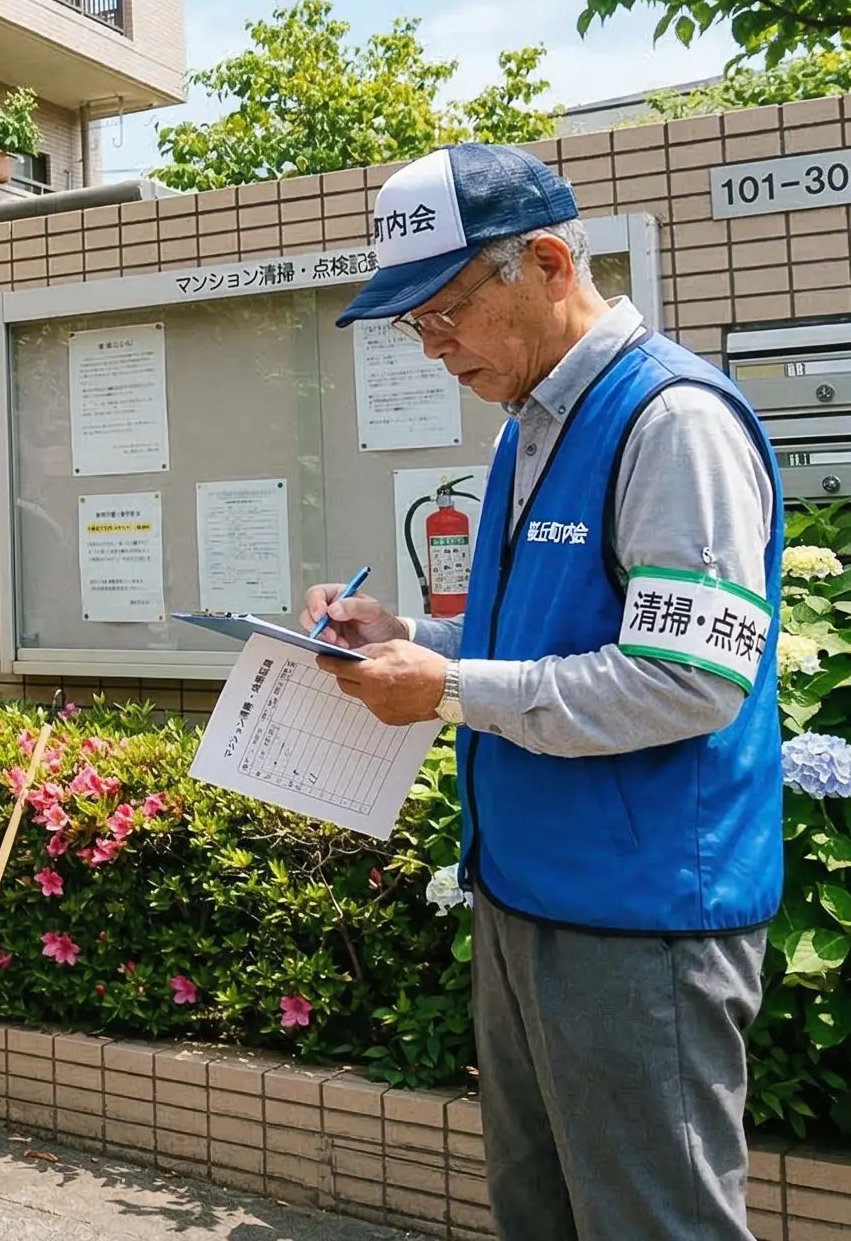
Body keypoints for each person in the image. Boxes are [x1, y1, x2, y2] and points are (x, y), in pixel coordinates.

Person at [303, 144, 781, 1241]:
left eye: (446, 314)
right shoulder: (534, 422)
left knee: (655, 1225)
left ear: (551, 262)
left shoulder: (673, 422)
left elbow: (687, 679)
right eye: (412, 326)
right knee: (545, 1214)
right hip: (533, 893)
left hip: (643, 915)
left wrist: (452, 687)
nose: (433, 349)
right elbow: (554, 634)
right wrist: (409, 636)